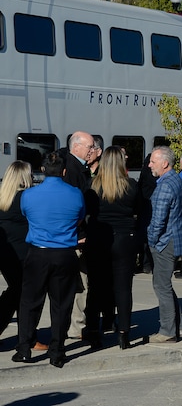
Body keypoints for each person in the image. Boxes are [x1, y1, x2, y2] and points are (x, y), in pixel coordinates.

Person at [12, 152, 85, 368]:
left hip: (38, 252)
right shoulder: (76, 194)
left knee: (30, 302)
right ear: (64, 172)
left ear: (42, 171)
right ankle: (57, 351)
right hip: (64, 253)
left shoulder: (29, 195)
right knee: (61, 305)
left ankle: (24, 349)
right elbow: (80, 218)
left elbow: (26, 214)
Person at [83, 147, 140, 350]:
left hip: (98, 238)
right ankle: (124, 333)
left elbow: (86, 213)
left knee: (96, 287)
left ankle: (92, 330)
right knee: (123, 288)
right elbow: (141, 211)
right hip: (125, 238)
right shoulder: (131, 185)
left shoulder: (93, 186)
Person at [147, 146, 182, 343]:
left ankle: (167, 331)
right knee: (165, 285)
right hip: (174, 239)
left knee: (161, 285)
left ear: (164, 163)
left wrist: (151, 240)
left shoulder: (165, 185)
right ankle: (178, 328)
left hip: (164, 241)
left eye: (153, 162)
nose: (149, 165)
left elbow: (158, 220)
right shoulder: (176, 179)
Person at [64, 131, 95, 341]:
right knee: (79, 284)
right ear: (76, 147)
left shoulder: (76, 167)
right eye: (90, 147)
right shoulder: (73, 170)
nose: (92, 151)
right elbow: (74, 207)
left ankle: (74, 325)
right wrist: (80, 232)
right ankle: (76, 327)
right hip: (76, 235)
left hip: (74, 234)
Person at [0, 162, 34, 341]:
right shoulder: (26, 197)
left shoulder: (2, 196)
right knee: (21, 292)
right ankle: (27, 336)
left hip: (5, 252)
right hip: (22, 252)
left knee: (16, 290)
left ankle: (26, 335)